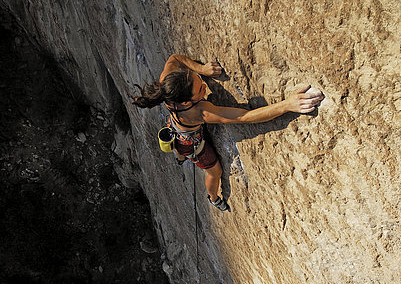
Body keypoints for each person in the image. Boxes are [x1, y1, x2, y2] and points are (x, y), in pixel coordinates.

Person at [132, 54, 323, 211]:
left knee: (181, 146)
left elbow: (174, 58)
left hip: (176, 125)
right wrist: (287, 105)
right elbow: (245, 117)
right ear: (186, 103)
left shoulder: (168, 82)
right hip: (191, 141)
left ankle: (180, 156)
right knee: (214, 172)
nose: (204, 86)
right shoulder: (201, 112)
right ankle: (213, 197)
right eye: (200, 90)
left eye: (199, 81)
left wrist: (202, 69)